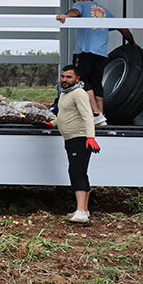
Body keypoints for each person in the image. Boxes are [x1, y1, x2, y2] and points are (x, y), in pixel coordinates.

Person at [54, 0, 134, 126]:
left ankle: (95, 113)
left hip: (85, 51)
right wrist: (132, 42)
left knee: (81, 81)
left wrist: (66, 16)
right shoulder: (104, 11)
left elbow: (75, 12)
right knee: (96, 83)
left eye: (75, 1)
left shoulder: (83, 5)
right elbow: (122, 28)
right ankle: (101, 118)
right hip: (101, 54)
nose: (75, 4)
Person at [56, 65, 100, 224]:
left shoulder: (79, 93)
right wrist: (53, 123)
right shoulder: (64, 94)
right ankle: (84, 210)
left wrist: (90, 137)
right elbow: (65, 115)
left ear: (77, 79)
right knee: (80, 171)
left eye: (69, 77)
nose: (65, 80)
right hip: (70, 139)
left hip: (80, 139)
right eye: (63, 76)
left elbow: (88, 116)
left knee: (76, 172)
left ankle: (81, 211)